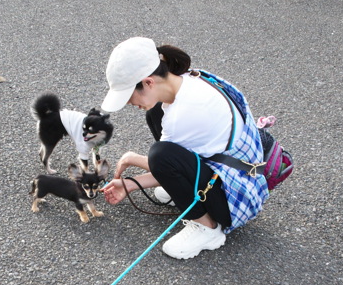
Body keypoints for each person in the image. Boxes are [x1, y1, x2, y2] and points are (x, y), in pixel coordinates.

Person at [99, 37, 268, 259]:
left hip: (239, 196)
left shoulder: (184, 114)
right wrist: (129, 185)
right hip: (241, 170)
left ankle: (207, 228)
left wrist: (131, 161)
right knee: (155, 114)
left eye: (129, 97)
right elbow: (179, 162)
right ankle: (184, 193)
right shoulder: (188, 79)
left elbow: (165, 163)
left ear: (148, 82)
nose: (130, 104)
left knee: (160, 154)